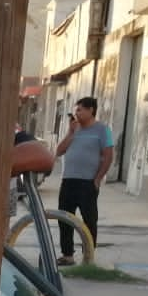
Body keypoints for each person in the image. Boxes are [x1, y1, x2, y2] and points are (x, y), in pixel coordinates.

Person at [53, 96, 114, 263]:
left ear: (91, 110)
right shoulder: (74, 129)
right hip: (68, 180)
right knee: (64, 218)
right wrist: (70, 133)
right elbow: (59, 151)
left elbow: (108, 156)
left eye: (79, 110)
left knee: (89, 220)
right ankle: (67, 255)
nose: (76, 113)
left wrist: (98, 178)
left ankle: (88, 255)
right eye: (76, 110)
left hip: (88, 182)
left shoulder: (103, 130)